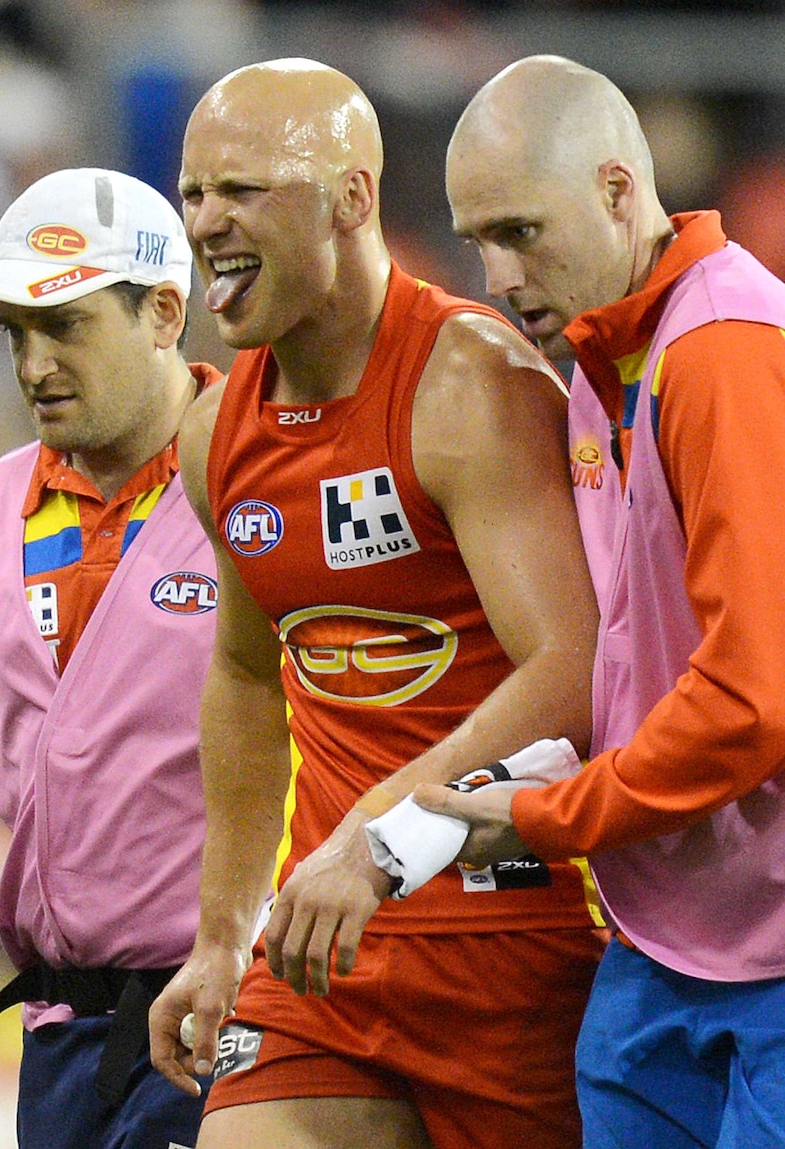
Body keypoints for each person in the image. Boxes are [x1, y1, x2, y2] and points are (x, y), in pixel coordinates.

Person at [148, 57, 604, 1149]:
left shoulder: (474, 386)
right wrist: (221, 936)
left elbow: (574, 667)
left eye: (242, 189)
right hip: (322, 953)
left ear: (352, 198)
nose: (206, 220)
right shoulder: (218, 435)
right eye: (193, 191)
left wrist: (371, 834)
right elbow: (250, 678)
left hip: (514, 941)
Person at [410, 53, 785, 1149]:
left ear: (620, 192)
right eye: (477, 236)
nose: (494, 272)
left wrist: (543, 816)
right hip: (662, 939)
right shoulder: (593, 367)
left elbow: (750, 700)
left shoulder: (721, 353)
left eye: (520, 231)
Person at [0, 167, 225, 1149]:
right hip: (57, 1042)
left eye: (65, 325)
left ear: (164, 310)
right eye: (14, 331)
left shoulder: (258, 489)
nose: (32, 362)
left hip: (232, 1018)